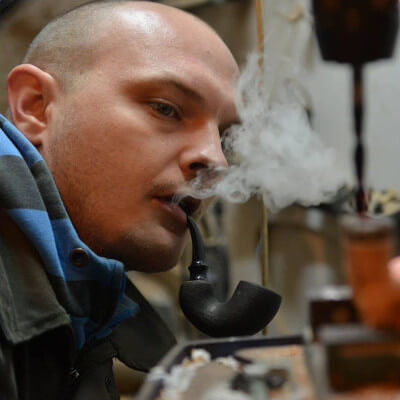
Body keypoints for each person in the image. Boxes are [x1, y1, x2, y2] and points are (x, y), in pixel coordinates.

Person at [0, 1, 239, 399]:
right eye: (166, 109)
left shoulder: (86, 298)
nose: (216, 160)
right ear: (35, 106)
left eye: (226, 138)